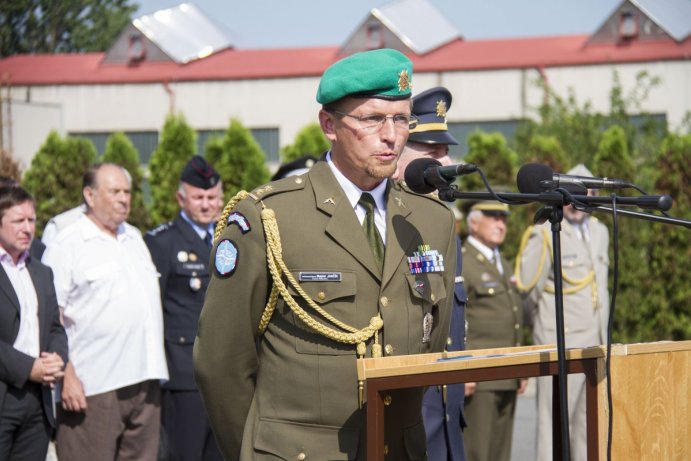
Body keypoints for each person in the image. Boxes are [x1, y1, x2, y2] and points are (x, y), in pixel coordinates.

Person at [194, 48, 458, 461]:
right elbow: (221, 361)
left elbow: (431, 345)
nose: (391, 136)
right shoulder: (270, 216)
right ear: (329, 125)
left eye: (401, 119)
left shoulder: (432, 220)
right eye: (372, 119)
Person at [42, 163, 168, 460]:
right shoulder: (67, 243)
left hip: (145, 379)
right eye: (114, 192)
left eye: (127, 191)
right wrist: (66, 376)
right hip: (93, 386)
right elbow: (49, 318)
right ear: (89, 194)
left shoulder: (134, 237)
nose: (124, 198)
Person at [393, 86, 468, 461]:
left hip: (448, 418)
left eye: (446, 152)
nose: (445, 162)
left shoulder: (443, 226)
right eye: (431, 154)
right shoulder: (386, 225)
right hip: (409, 418)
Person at [515, 163, 609, 461]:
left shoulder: (600, 230)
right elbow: (528, 293)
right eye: (569, 194)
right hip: (561, 343)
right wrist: (541, 331)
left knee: (588, 421)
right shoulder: (544, 232)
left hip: (596, 342)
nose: (575, 202)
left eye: (584, 193)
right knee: (554, 424)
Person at [144, 155, 224, 461]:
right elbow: (153, 310)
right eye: (198, 197)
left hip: (223, 371)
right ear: (181, 198)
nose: (206, 204)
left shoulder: (231, 236)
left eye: (212, 197)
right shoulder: (161, 243)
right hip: (183, 373)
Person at [0, 185, 68, 461]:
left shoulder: (41, 271)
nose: (27, 228)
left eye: (31, 220)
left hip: (37, 400)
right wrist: (29, 368)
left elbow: (54, 327)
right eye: (18, 221)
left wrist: (57, 358)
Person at [460, 199, 526, 461]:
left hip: (508, 372)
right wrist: (462, 368)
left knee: (501, 452)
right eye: (493, 217)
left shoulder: (502, 262)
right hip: (480, 374)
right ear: (474, 223)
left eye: (504, 219)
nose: (501, 224)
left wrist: (521, 366)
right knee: (477, 451)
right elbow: (458, 318)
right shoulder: (464, 262)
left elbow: (513, 315)